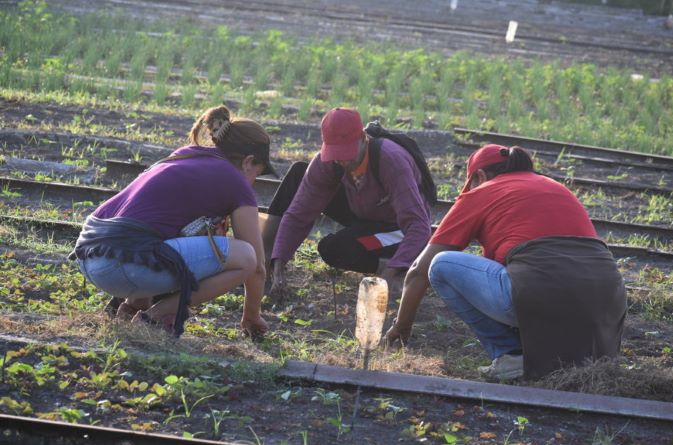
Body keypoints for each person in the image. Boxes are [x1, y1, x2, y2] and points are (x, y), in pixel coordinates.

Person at [384, 144, 627, 380]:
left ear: (479, 176)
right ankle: (569, 356)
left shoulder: (483, 191)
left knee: (441, 265)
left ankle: (510, 354)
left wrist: (401, 327)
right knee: (522, 273)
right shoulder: (556, 187)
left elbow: (419, 271)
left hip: (544, 294)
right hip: (608, 302)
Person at [69, 105, 275, 338]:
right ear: (248, 162)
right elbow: (257, 266)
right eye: (257, 174)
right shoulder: (235, 181)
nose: (254, 182)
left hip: (90, 257)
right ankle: (154, 319)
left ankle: (132, 307)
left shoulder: (186, 154)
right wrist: (251, 317)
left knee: (161, 235)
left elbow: (155, 226)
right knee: (245, 257)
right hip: (124, 265)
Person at [263, 107, 433, 300]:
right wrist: (278, 262)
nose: (342, 161)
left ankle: (398, 265)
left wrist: (390, 273)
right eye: (336, 155)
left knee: (340, 248)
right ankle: (265, 257)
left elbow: (418, 225)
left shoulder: (390, 160)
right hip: (364, 212)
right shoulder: (329, 162)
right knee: (299, 174)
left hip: (398, 229)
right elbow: (299, 214)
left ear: (362, 139)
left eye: (347, 154)